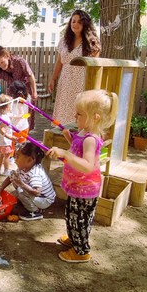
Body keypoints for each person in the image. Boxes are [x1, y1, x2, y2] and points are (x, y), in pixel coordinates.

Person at [46, 89, 118, 263]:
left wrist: (65, 154)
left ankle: (81, 251)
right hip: (77, 185)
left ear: (95, 117)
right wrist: (70, 139)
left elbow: (87, 166)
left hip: (84, 188)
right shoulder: (83, 133)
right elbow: (78, 149)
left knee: (80, 220)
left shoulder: (91, 139)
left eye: (79, 114)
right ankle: (74, 239)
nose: (75, 116)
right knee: (72, 215)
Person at [48, 10, 101, 126]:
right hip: (65, 81)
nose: (75, 24)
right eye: (73, 21)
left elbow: (95, 66)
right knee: (63, 109)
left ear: (85, 24)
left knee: (78, 109)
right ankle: (62, 133)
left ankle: (77, 136)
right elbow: (59, 62)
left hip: (81, 81)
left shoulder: (92, 42)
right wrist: (53, 78)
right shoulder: (64, 41)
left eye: (79, 22)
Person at [0, 142, 56, 221]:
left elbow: (37, 192)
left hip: (45, 200)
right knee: (16, 183)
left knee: (19, 192)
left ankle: (35, 212)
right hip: (38, 197)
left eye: (17, 157)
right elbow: (11, 176)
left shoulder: (35, 173)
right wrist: (0, 189)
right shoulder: (25, 167)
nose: (14, 160)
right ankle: (29, 203)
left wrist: (21, 184)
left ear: (29, 160)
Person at [0, 46, 38, 130]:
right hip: (12, 92)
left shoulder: (19, 61)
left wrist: (34, 92)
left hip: (25, 91)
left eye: (2, 62)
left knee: (25, 116)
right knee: (12, 114)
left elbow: (30, 75)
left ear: (7, 56)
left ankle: (25, 135)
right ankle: (12, 134)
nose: (0, 65)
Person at [0, 94, 16, 175]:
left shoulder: (0, 114)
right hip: (5, 141)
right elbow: (2, 131)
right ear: (6, 106)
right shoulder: (4, 118)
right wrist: (11, 137)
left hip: (0, 141)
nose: (11, 106)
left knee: (1, 155)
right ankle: (6, 170)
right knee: (7, 156)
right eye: (10, 104)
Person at [8, 81, 30, 154]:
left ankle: (10, 157)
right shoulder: (28, 97)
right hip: (24, 126)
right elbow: (27, 112)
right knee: (22, 145)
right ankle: (21, 156)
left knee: (11, 144)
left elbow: (10, 112)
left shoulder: (11, 100)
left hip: (13, 127)